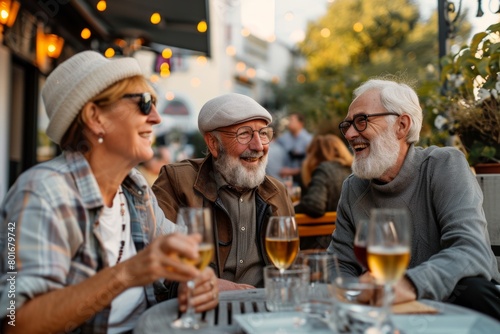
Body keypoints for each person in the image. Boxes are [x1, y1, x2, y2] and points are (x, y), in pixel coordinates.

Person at [0, 51, 218, 333]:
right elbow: (16, 322)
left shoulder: (134, 187)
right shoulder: (42, 193)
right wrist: (127, 273)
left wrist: (199, 281)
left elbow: (177, 260)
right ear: (95, 117)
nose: (157, 118)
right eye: (144, 103)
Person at [329, 77, 500, 319]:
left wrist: (409, 284)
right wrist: (353, 297)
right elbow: (338, 263)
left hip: (459, 312)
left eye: (361, 121)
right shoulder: (353, 188)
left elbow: (471, 250)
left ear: (402, 125)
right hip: (388, 316)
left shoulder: (444, 165)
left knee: (473, 288)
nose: (349, 133)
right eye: (346, 125)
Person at [152, 93, 295, 291]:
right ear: (213, 144)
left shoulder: (277, 192)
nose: (258, 146)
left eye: (263, 133)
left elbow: (289, 267)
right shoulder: (177, 180)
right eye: (244, 134)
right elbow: (154, 257)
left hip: (266, 308)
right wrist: (196, 284)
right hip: (203, 309)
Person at [295, 134, 353, 249]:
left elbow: (314, 205)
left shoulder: (324, 169)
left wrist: (290, 208)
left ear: (314, 155)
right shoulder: (353, 170)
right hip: (352, 242)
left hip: (324, 245)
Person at [276, 113, 313, 186]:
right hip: (286, 181)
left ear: (300, 124)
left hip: (303, 181)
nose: (289, 122)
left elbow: (311, 164)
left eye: (292, 120)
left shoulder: (308, 140)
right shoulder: (284, 138)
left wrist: (291, 171)